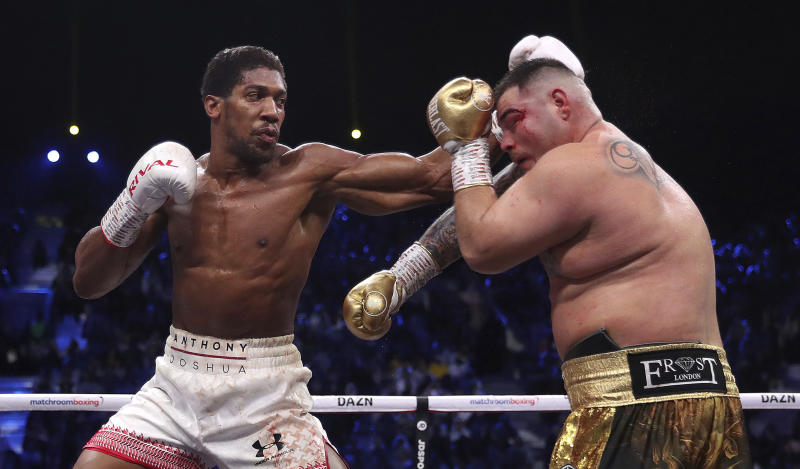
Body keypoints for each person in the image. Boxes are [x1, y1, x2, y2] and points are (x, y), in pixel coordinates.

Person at [71, 45, 491, 469]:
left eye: (280, 99)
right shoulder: (175, 185)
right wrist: (132, 201)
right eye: (256, 96)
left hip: (265, 396)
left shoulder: (308, 172)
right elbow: (87, 282)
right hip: (175, 388)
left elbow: (432, 179)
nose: (272, 110)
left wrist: (495, 114)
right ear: (213, 105)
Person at [344, 38, 753, 467]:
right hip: (712, 404)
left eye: (513, 121)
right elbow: (500, 197)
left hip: (635, 409)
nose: (507, 143)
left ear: (560, 102)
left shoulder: (573, 165)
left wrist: (464, 148)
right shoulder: (626, 162)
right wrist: (404, 276)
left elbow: (482, 245)